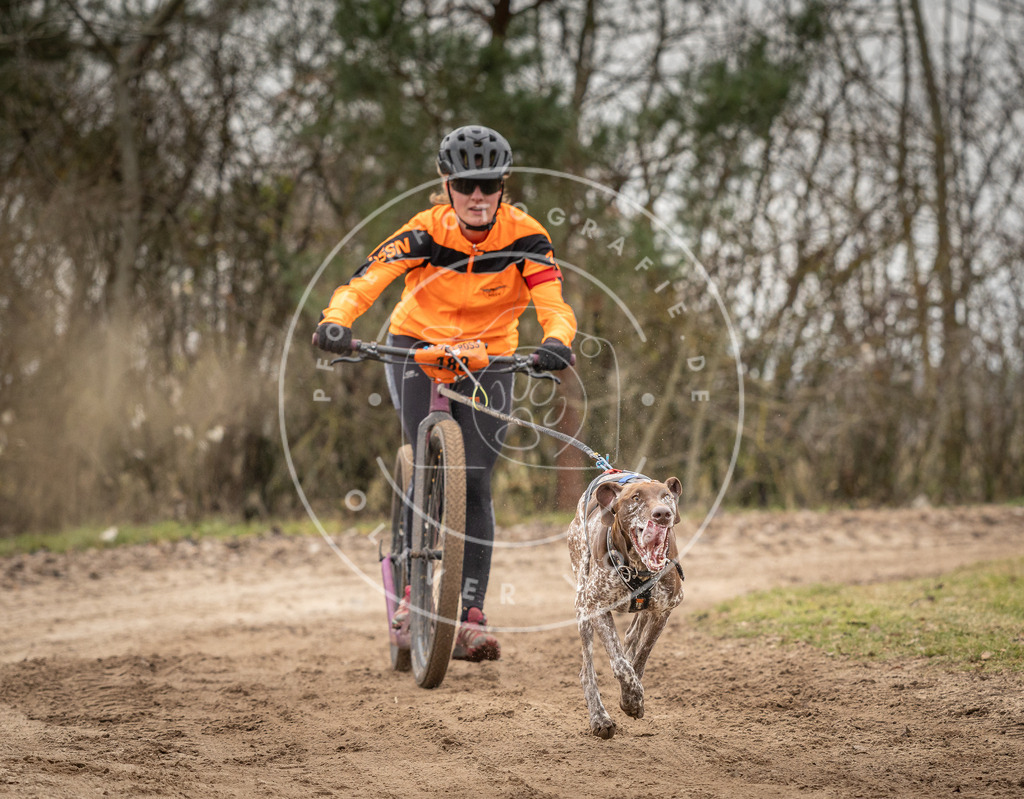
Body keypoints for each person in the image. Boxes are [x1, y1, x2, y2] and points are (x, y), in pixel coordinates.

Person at [313, 125, 577, 661]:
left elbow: (554, 303)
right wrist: (337, 320)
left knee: (475, 481)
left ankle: (470, 615)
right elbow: (368, 279)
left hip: (489, 354)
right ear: (446, 185)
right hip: (417, 344)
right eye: (465, 185)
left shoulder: (527, 237)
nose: (477, 196)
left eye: (488, 185)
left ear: (503, 186)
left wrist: (556, 342)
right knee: (422, 455)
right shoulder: (423, 232)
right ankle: (414, 593)